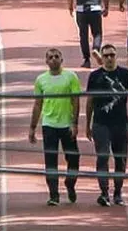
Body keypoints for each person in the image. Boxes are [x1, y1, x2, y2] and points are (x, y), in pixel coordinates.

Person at [85, 44, 128, 207]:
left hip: (120, 123)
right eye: (106, 55)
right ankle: (104, 192)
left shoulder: (125, 74)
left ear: (116, 56)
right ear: (102, 58)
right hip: (101, 123)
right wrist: (87, 124)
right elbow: (89, 101)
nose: (109, 58)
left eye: (112, 55)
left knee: (120, 159)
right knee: (102, 156)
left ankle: (118, 192)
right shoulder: (94, 76)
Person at [29, 48, 81, 206]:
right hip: (49, 125)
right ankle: (53, 195)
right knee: (51, 161)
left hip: (66, 125)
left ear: (61, 59)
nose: (53, 59)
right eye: (50, 57)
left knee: (74, 157)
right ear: (46, 61)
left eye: (56, 56)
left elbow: (76, 101)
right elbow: (38, 104)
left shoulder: (71, 77)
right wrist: (32, 127)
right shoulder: (41, 80)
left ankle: (70, 183)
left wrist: (74, 123)